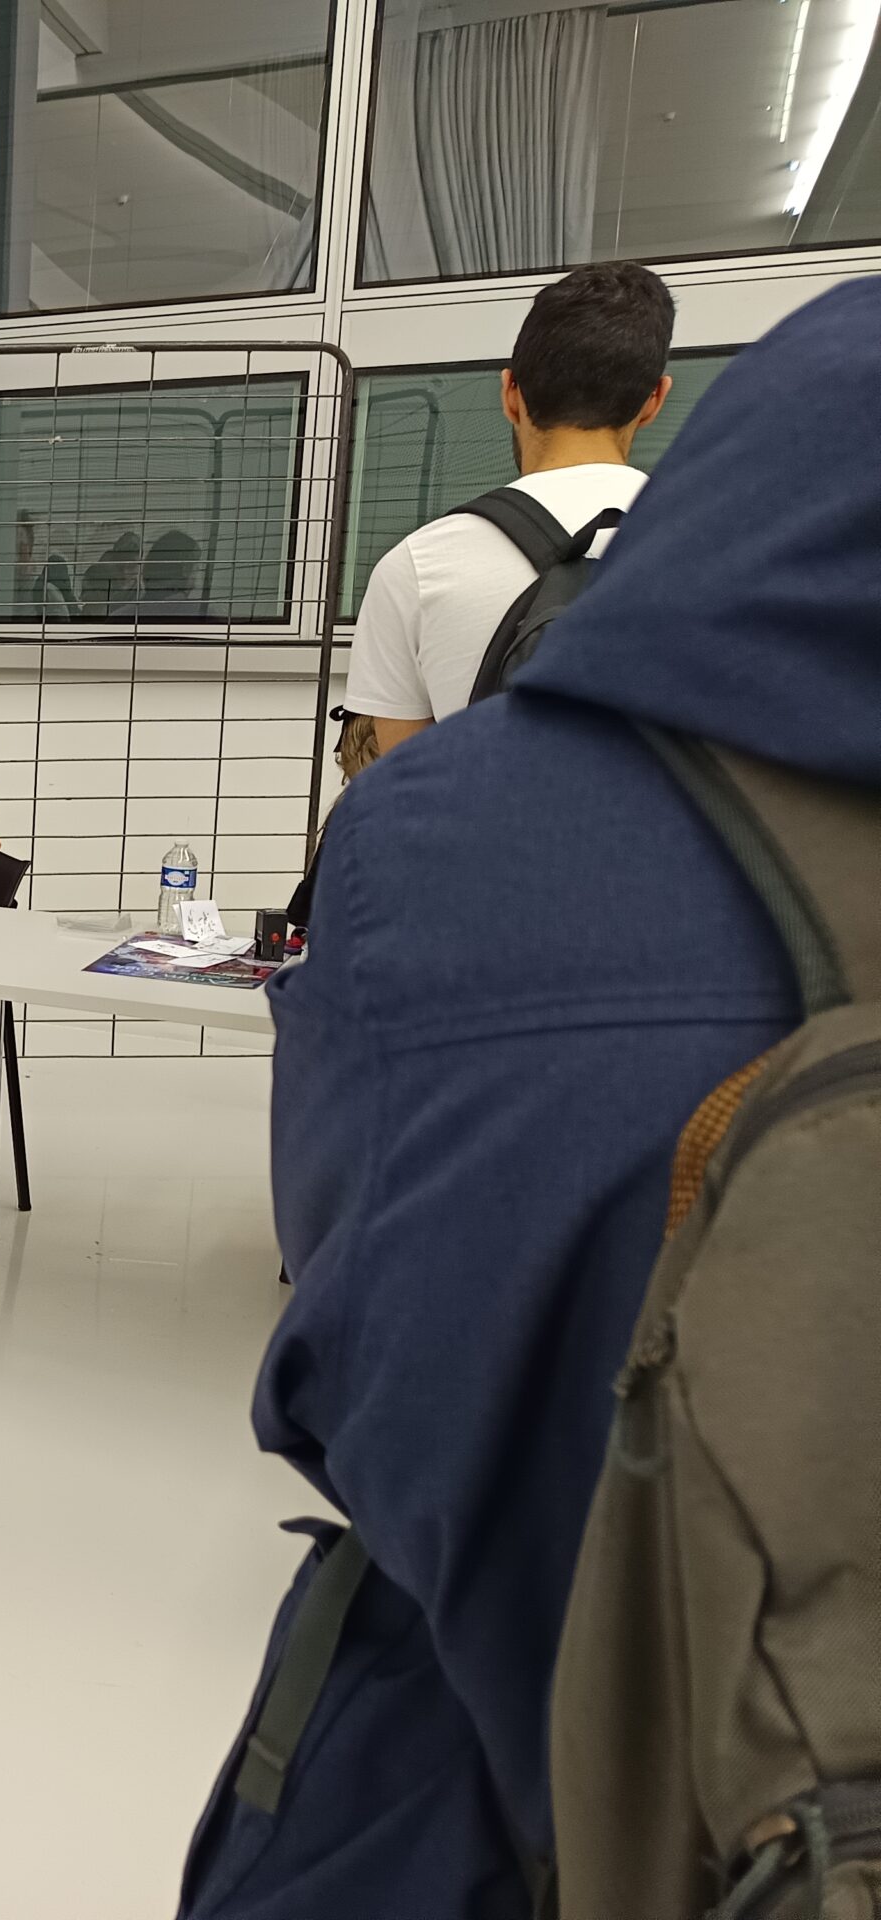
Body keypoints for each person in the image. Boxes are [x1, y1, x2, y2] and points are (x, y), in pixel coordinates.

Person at [176, 282, 881, 1917]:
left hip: (520, 1769)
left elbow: (357, 1358)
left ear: (510, 391)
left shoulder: (428, 590)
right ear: (651, 401)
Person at [346, 261, 674, 759]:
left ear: (509, 393)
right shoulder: (729, 549)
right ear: (654, 400)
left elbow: (401, 783)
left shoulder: (416, 567)